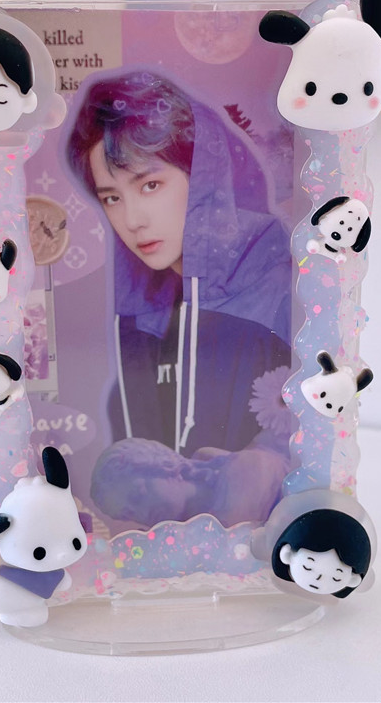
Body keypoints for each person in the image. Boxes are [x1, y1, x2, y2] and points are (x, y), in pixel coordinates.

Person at [64, 70, 294, 526]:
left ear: (205, 178)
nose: (132, 219)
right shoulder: (144, 314)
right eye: (111, 197)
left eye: (149, 185)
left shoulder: (278, 287)